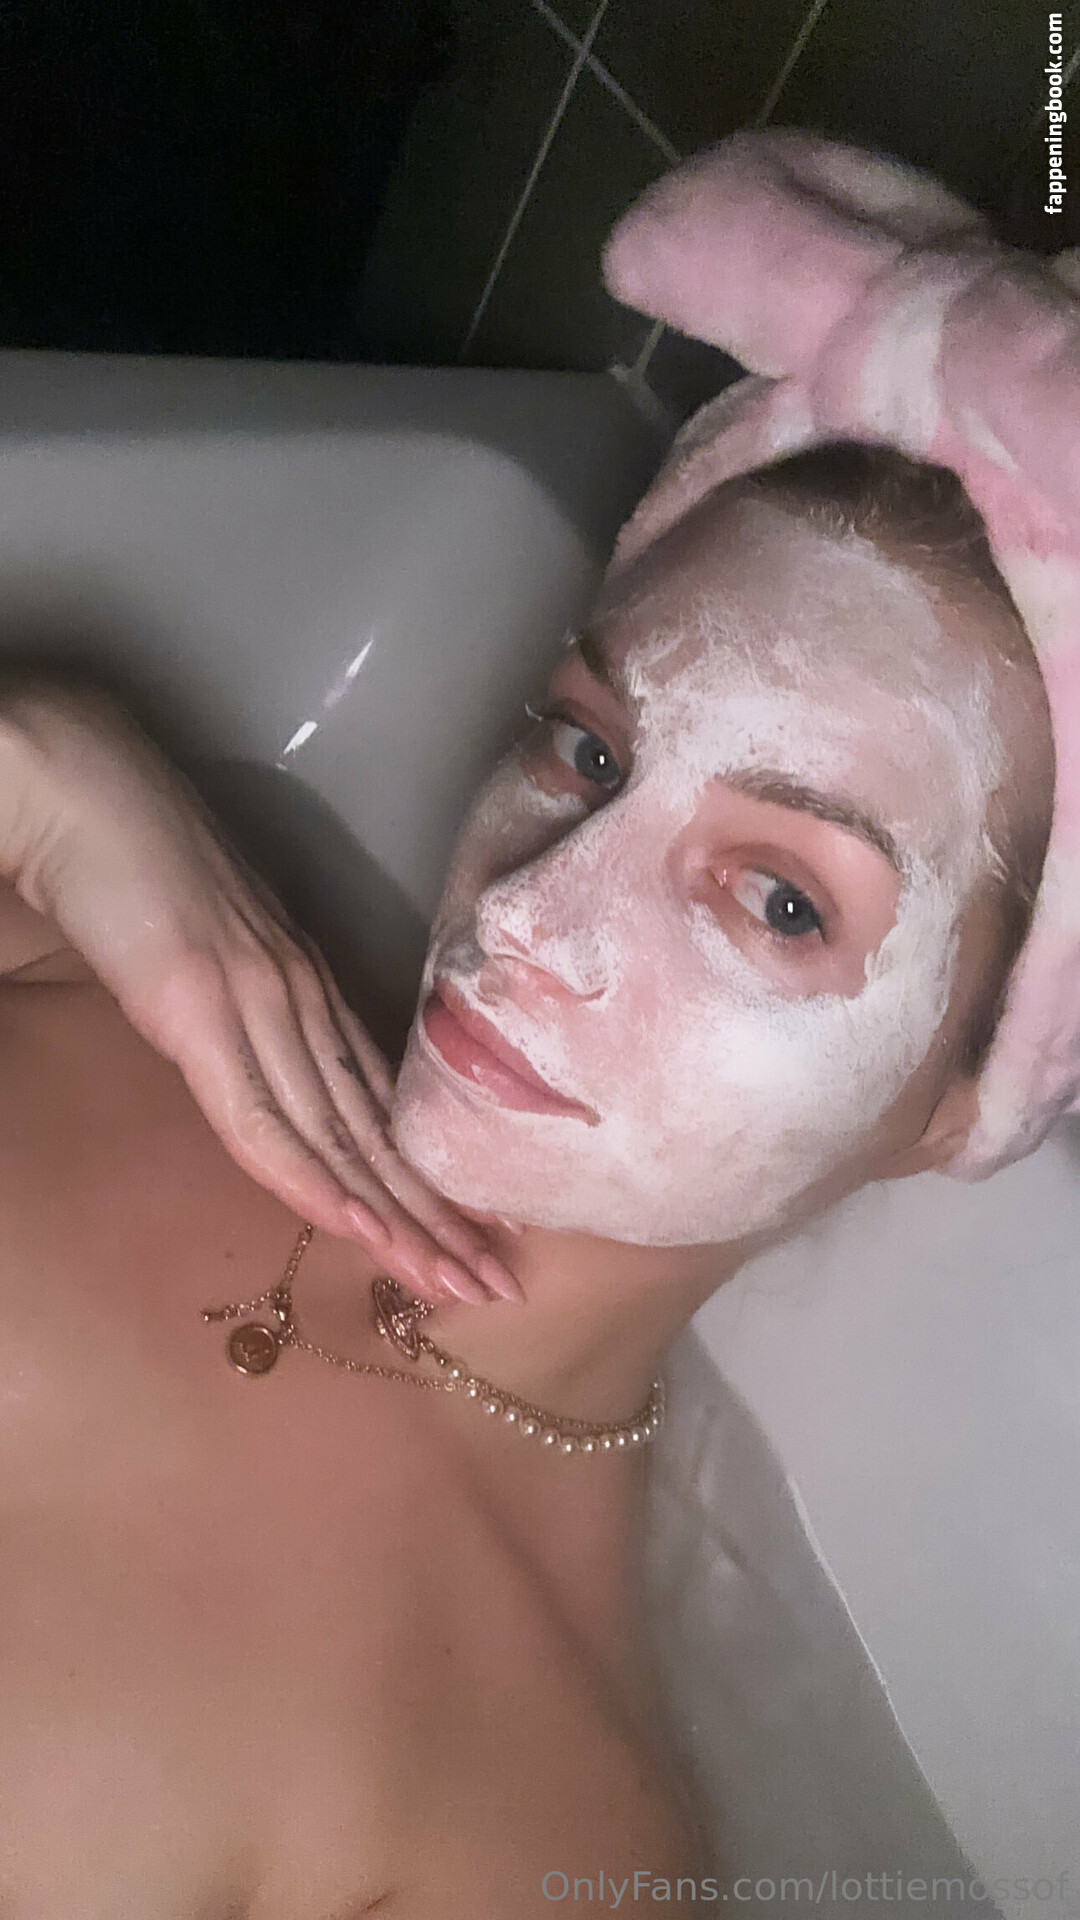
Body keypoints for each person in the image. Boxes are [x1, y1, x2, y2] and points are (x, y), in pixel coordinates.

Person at [1, 130, 1077, 1914]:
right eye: (590, 748)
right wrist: (43, 769)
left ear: (959, 1103)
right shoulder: (91, 972)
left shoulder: (534, 1833)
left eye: (781, 899)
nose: (526, 911)